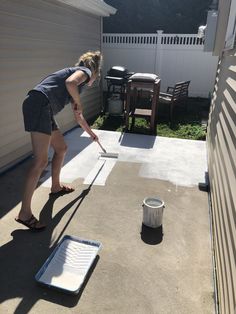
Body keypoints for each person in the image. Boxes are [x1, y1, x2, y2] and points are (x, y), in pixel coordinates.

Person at [15, 51, 102, 230]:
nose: (92, 83)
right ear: (94, 73)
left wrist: (90, 133)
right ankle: (24, 213)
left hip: (43, 107)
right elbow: (70, 83)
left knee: (61, 148)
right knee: (40, 161)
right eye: (95, 79)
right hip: (40, 105)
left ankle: (55, 187)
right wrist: (78, 99)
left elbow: (79, 116)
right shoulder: (83, 72)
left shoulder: (76, 83)